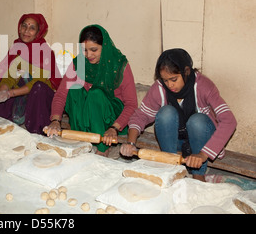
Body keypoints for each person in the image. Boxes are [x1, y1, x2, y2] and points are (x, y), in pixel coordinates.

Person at [120, 48, 237, 181]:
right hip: (175, 141)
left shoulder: (203, 86)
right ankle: (169, 166)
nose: (169, 85)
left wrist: (203, 155)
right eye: (165, 80)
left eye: (173, 79)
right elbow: (141, 115)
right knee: (165, 113)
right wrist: (131, 143)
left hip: (200, 143)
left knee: (197, 121)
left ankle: (198, 174)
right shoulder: (159, 88)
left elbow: (229, 121)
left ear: (186, 71)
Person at [45, 24, 138, 156]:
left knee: (96, 93)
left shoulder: (119, 65)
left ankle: (102, 149)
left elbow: (132, 104)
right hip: (88, 115)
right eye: (84, 50)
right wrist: (55, 120)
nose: (88, 55)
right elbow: (61, 94)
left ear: (104, 47)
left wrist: (114, 128)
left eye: (94, 50)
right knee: (74, 90)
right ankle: (80, 141)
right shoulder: (79, 63)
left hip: (111, 118)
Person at [0, 13, 62, 134]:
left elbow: (36, 82)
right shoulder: (18, 47)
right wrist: (1, 93)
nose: (26, 31)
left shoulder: (44, 51)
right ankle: (16, 115)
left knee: (38, 87)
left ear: (38, 32)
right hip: (23, 92)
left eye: (32, 28)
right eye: (24, 26)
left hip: (41, 96)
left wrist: (9, 94)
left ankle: (38, 127)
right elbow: (10, 77)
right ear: (19, 28)